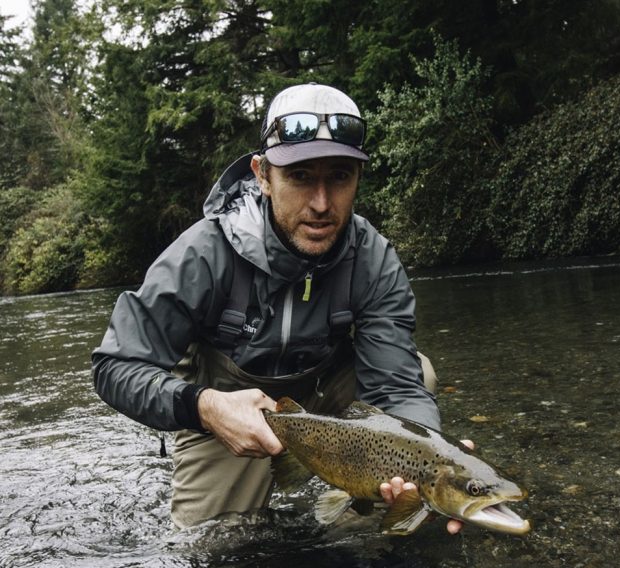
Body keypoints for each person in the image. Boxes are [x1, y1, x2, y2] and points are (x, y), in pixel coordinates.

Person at [92, 82, 467, 533]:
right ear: (262, 175)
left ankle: (353, 516)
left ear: (358, 180)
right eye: (301, 177)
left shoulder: (373, 257)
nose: (322, 203)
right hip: (230, 413)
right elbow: (115, 366)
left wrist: (437, 460)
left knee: (419, 375)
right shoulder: (202, 254)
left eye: (340, 177)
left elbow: (397, 388)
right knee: (215, 547)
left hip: (329, 399)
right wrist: (204, 407)